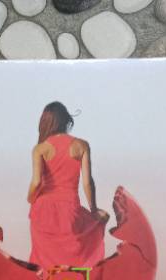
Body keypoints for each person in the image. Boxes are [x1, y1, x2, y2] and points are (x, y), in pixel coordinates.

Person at [27, 102, 108, 270]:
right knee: (80, 247)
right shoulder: (82, 145)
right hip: (70, 209)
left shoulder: (40, 149)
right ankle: (79, 278)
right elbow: (87, 182)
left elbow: (36, 182)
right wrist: (93, 209)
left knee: (43, 259)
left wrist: (30, 198)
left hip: (43, 210)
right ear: (66, 121)